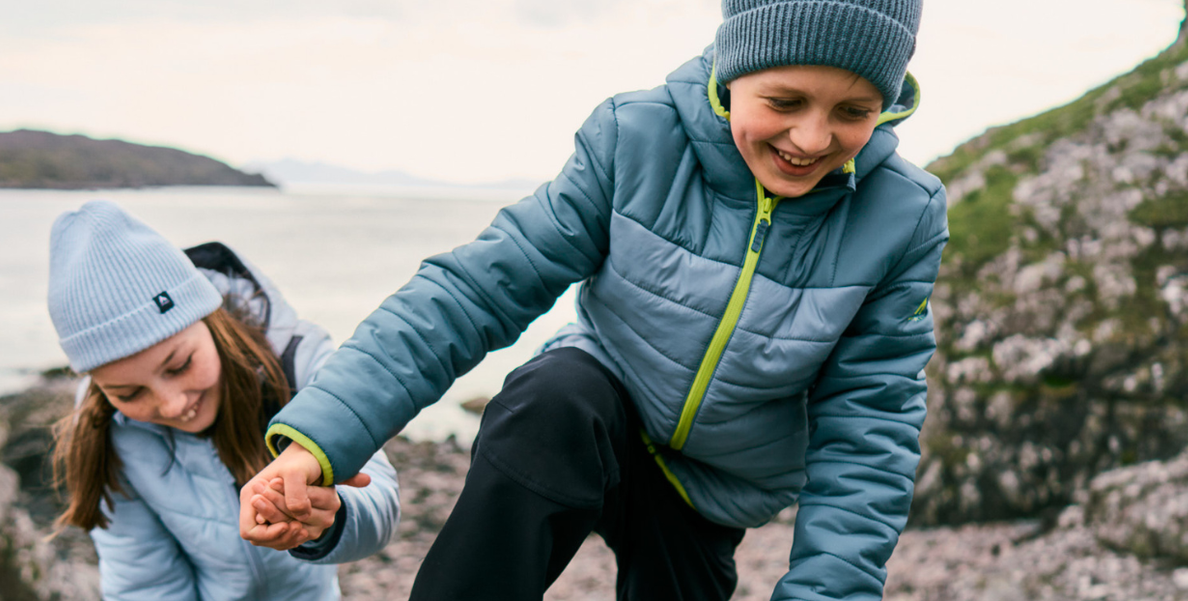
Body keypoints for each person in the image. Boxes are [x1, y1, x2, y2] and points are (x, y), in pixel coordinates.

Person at [245, 0, 947, 598]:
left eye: (855, 111)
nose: (812, 137)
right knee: (546, 397)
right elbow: (471, 292)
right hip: (592, 410)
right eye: (785, 102)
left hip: (713, 490)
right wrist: (319, 440)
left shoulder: (903, 215)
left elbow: (870, 426)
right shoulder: (633, 138)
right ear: (733, 70)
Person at [46, 200, 399, 600]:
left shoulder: (299, 362)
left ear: (210, 322)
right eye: (128, 393)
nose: (172, 405)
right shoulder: (108, 432)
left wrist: (330, 520)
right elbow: (145, 584)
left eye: (179, 365)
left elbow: (381, 502)